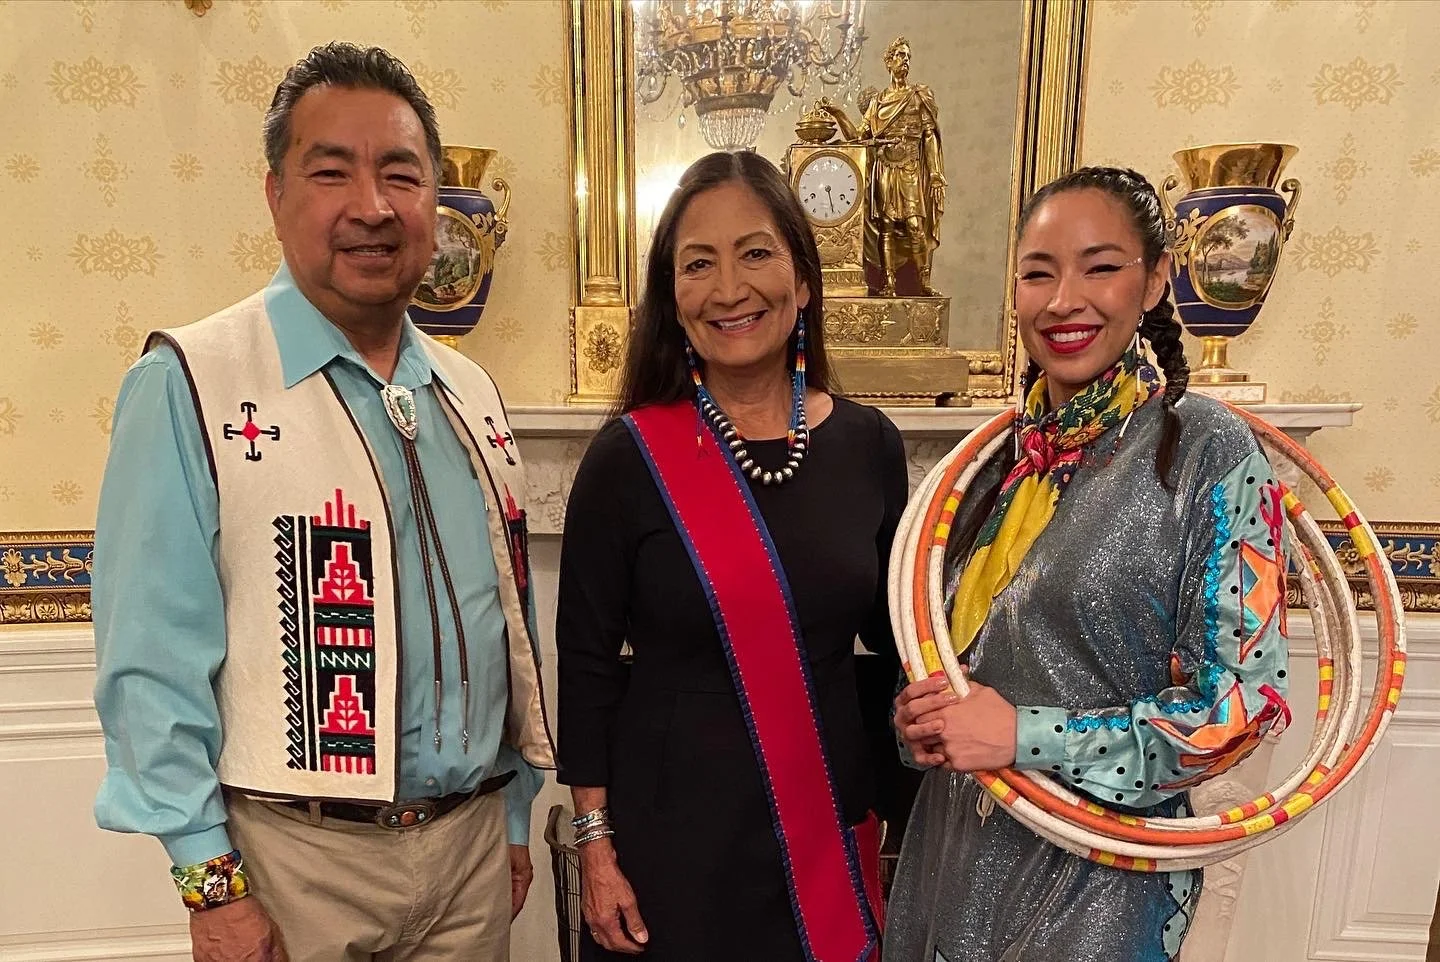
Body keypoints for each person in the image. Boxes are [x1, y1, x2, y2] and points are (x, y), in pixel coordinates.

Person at [91, 42, 553, 962]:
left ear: (434, 200)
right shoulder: (191, 382)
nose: (372, 207)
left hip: (467, 862)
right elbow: (149, 661)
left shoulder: (472, 396)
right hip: (290, 866)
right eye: (331, 171)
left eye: (401, 174)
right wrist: (208, 882)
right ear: (276, 195)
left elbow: (507, 624)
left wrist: (508, 814)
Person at [884, 167, 1292, 962]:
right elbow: (961, 659)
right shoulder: (990, 466)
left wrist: (1023, 735)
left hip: (1100, 887)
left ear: (1155, 281)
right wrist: (923, 726)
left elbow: (1242, 708)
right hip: (948, 868)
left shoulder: (1209, 451)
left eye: (1100, 267)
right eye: (1039, 273)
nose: (1064, 299)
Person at [555, 150, 909, 961]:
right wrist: (595, 846)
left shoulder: (868, 446)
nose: (728, 289)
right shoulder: (627, 459)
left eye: (755, 253)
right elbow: (585, 663)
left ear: (804, 277)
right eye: (697, 264)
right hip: (666, 847)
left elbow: (902, 651)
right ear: (673, 298)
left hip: (822, 823)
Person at [820, 36, 946, 296]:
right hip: (885, 168)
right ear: (888, 62)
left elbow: (929, 135)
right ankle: (889, 283)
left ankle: (922, 283)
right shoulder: (878, 102)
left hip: (910, 166)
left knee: (914, 225)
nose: (905, 61)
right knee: (886, 227)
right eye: (900, 56)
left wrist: (935, 173)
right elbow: (858, 137)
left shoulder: (918, 95)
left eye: (908, 56)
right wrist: (837, 113)